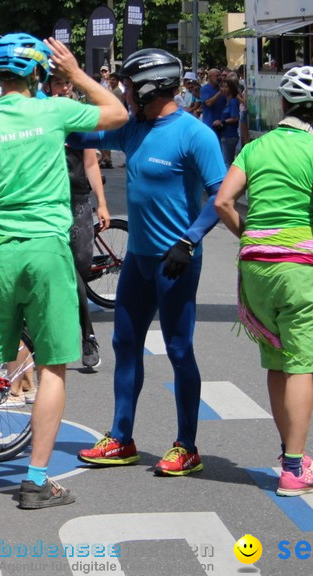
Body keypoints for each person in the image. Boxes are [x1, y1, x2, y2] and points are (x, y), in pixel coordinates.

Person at [0, 33, 129, 510]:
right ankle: (36, 480)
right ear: (37, 74)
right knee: (51, 365)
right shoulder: (53, 112)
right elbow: (118, 114)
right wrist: (77, 73)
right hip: (46, 250)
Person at [72, 48, 226, 478]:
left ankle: (187, 446)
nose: (123, 93)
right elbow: (81, 136)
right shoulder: (133, 128)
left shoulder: (196, 135)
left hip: (175, 261)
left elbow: (221, 194)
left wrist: (189, 240)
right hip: (138, 260)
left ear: (147, 87)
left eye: (126, 86)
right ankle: (122, 438)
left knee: (178, 349)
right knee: (125, 345)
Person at [214, 65, 313, 497]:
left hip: (255, 268)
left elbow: (224, 201)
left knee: (278, 361)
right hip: (299, 269)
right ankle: (294, 470)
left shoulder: (255, 147)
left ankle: (288, 452)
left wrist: (254, 237)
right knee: (303, 365)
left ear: (283, 104)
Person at [47, 73, 109, 371]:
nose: (64, 88)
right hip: (49, 203)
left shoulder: (77, 118)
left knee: (78, 271)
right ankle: (88, 337)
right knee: (66, 271)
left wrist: (103, 203)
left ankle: (83, 333)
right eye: (58, 84)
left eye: (66, 84)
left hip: (79, 201)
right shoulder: (41, 118)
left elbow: (90, 162)